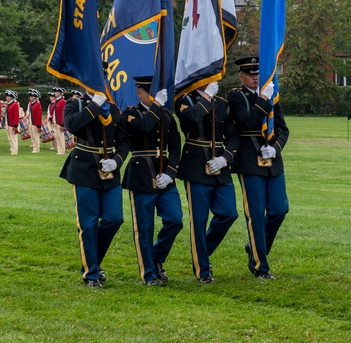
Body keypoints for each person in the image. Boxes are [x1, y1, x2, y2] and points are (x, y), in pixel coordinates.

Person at [228, 56, 290, 280]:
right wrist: (263, 98)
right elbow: (247, 122)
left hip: (271, 161)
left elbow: (283, 129)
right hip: (249, 161)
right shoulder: (236, 96)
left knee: (279, 209)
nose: (255, 77)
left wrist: (276, 148)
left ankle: (254, 245)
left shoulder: (272, 95)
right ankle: (259, 265)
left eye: (258, 73)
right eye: (250, 74)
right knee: (255, 213)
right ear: (241, 76)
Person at [61, 87, 128, 288]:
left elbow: (124, 142)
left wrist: (117, 161)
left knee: (114, 218)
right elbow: (72, 125)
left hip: (109, 170)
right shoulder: (75, 104)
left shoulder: (114, 109)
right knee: (88, 224)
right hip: (84, 168)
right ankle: (91, 274)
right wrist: (95, 105)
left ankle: (94, 261)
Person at [175, 81, 239, 283]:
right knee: (199, 220)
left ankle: (202, 251)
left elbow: (233, 137)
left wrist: (225, 158)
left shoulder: (222, 103)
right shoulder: (183, 100)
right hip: (195, 165)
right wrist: (206, 97)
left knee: (229, 213)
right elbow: (190, 120)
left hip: (219, 165)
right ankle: (202, 269)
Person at [121, 77, 183, 286]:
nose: (155, 96)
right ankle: (149, 274)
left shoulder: (166, 114)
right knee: (144, 227)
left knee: (175, 220)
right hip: (140, 174)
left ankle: (156, 258)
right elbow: (143, 127)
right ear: (139, 93)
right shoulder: (130, 114)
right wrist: (157, 105)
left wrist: (171, 172)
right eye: (150, 92)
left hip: (164, 172)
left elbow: (175, 146)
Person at [4, 90, 21, 155]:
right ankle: (12, 149)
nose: (6, 98)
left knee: (13, 138)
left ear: (11, 97)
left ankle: (14, 151)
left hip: (12, 124)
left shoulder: (14, 104)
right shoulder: (9, 104)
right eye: (7, 96)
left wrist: (15, 125)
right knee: (10, 138)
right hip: (8, 123)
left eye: (8, 96)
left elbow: (16, 115)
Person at [27, 89, 43, 153]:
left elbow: (39, 116)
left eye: (31, 97)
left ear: (34, 97)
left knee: (36, 137)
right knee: (33, 136)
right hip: (31, 122)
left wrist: (38, 125)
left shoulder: (37, 104)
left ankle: (36, 149)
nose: (30, 98)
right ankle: (34, 147)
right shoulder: (32, 104)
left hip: (35, 123)